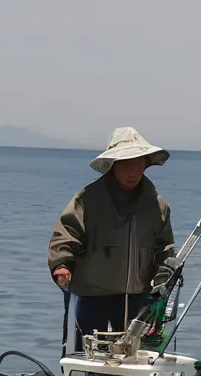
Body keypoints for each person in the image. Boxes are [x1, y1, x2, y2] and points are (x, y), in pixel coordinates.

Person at [49, 127, 175, 351]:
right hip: (91, 297)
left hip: (137, 299)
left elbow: (165, 250)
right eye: (126, 164)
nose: (133, 171)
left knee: (132, 359)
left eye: (138, 163)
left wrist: (163, 280)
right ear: (112, 165)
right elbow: (66, 234)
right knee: (84, 356)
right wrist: (61, 265)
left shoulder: (157, 205)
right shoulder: (88, 199)